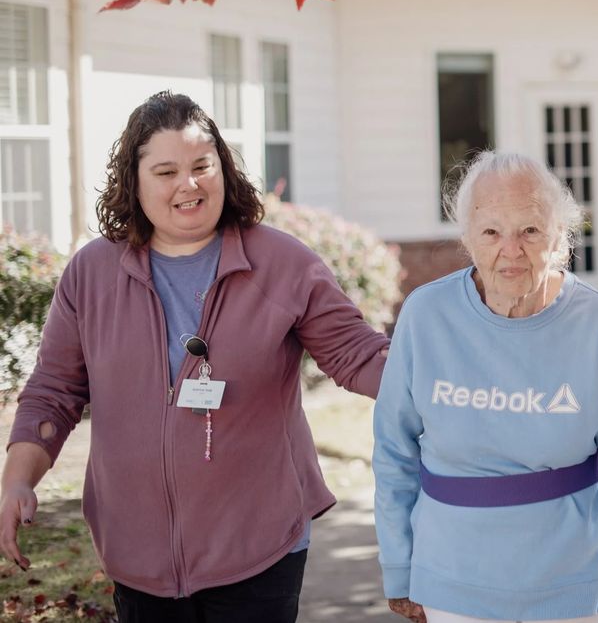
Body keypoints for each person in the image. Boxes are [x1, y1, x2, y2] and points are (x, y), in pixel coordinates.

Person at [0, 91, 390, 622]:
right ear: (133, 184)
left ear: (223, 170)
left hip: (258, 548)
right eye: (165, 171)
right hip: (134, 550)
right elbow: (55, 390)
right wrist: (19, 479)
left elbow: (357, 354)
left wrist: (446, 384)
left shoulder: (281, 263)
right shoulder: (92, 273)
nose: (189, 184)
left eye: (202, 166)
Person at [373, 150, 598, 623]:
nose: (511, 250)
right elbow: (393, 451)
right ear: (468, 238)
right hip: (450, 586)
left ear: (559, 236)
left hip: (573, 588)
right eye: (492, 231)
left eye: (529, 230)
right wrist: (399, 566)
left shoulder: (595, 323)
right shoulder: (426, 315)